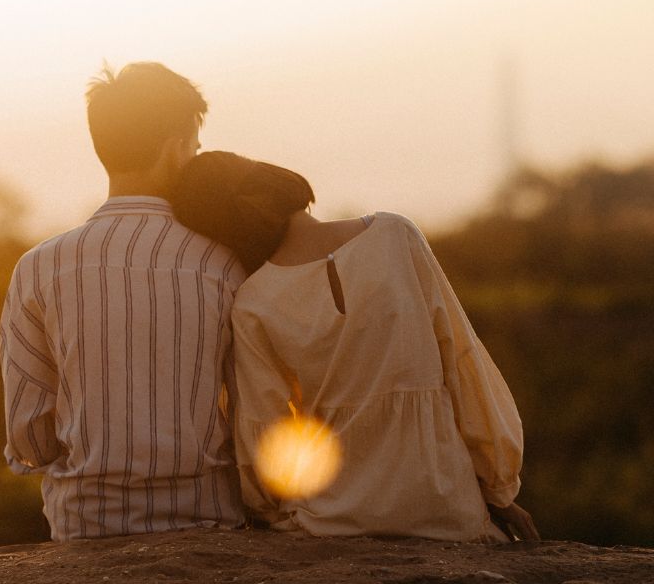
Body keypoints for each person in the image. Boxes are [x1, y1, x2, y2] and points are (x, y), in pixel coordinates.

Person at [170, 151, 540, 543]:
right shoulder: (396, 235)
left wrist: (268, 510)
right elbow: (462, 362)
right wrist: (499, 489)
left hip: (331, 520)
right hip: (445, 508)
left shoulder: (252, 303)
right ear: (274, 178)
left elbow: (266, 434)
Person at [0, 64, 247, 540]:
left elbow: (28, 435)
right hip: (208, 520)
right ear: (176, 149)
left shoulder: (39, 267)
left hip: (87, 525)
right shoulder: (224, 264)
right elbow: (251, 411)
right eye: (194, 147)